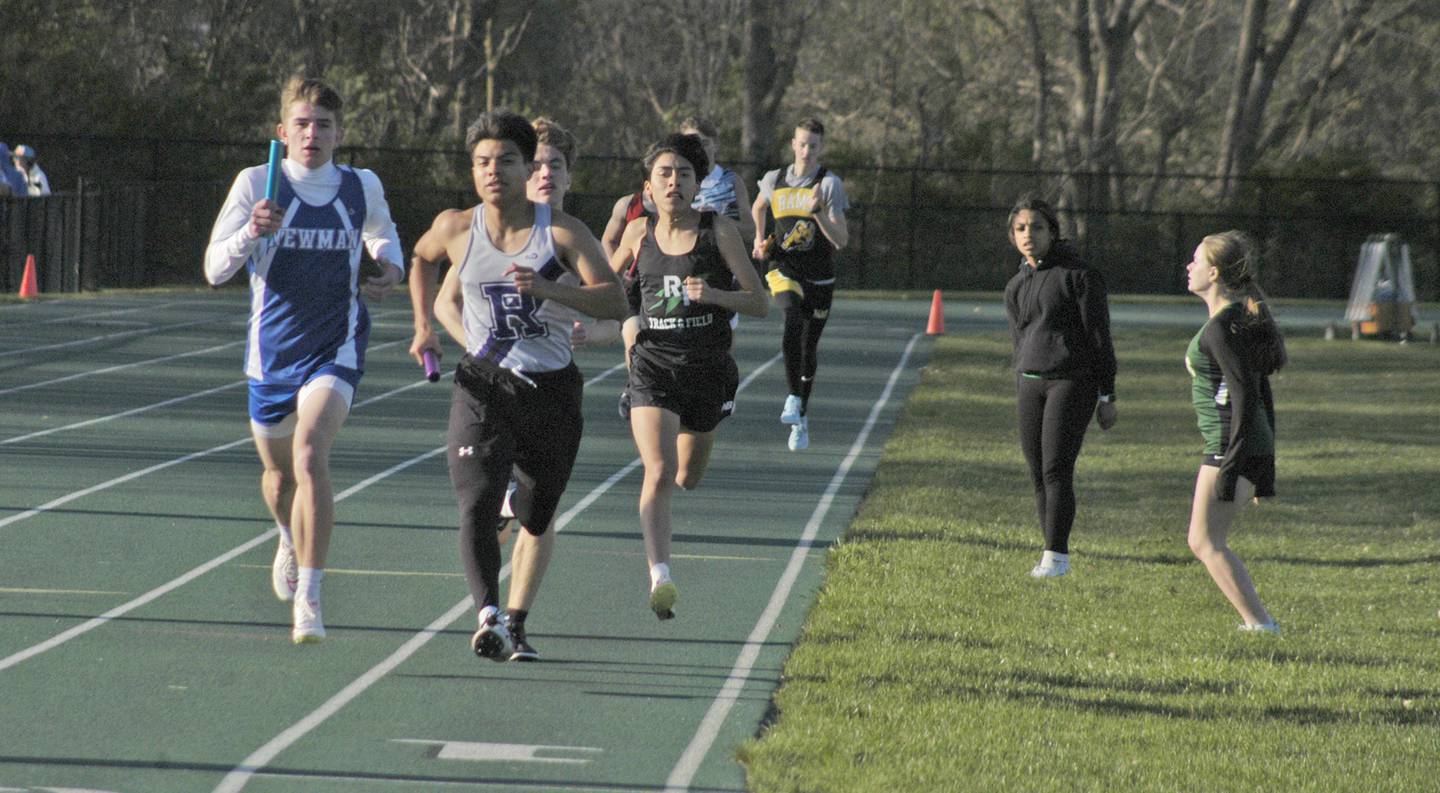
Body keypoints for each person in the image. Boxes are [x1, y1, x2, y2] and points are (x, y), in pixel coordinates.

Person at [420, 110, 626, 662]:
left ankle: (515, 611)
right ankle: (491, 614)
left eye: (508, 161)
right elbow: (426, 267)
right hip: (483, 384)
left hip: (552, 392)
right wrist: (430, 328)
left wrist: (551, 292)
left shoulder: (562, 233)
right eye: (484, 162)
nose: (495, 172)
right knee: (476, 503)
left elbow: (615, 301)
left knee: (537, 515)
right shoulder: (459, 227)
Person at [204, 76, 404, 643]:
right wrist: (251, 231)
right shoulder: (256, 184)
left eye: (323, 125)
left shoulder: (359, 185)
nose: (311, 134)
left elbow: (383, 235)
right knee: (278, 478)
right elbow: (215, 269)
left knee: (311, 450)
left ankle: (311, 599)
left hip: (335, 345)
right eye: (301, 123)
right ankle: (287, 540)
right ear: (281, 131)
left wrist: (389, 267)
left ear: (339, 134)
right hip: (271, 355)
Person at [611, 133, 768, 619]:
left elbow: (760, 302)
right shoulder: (638, 234)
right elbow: (605, 285)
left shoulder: (716, 231)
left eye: (683, 174)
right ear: (648, 188)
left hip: (707, 370)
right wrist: (615, 323)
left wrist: (715, 297)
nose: (673, 181)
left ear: (697, 184)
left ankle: (701, 431)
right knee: (656, 471)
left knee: (686, 476)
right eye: (664, 173)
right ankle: (660, 575)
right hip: (653, 366)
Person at [1002, 195, 1117, 579]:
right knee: (1037, 472)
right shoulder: (1016, 285)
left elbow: (1099, 338)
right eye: (1020, 228)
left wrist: (1106, 394)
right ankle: (1047, 550)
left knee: (1056, 469)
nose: (1028, 234)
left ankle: (1058, 556)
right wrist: (1020, 377)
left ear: (1052, 231)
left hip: (1071, 383)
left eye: (1036, 227)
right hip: (1029, 384)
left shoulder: (1080, 276)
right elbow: (1020, 339)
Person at [1183, 230, 1285, 634]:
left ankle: (1260, 625)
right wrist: (1265, 467)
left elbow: (1247, 398)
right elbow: (1261, 393)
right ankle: (1258, 624)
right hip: (1237, 445)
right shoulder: (1231, 320)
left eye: (1195, 261)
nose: (1188, 267)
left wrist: (1235, 464)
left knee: (1206, 541)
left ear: (1214, 272)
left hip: (1230, 445)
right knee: (1204, 541)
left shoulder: (1221, 328)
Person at [750, 118, 849, 451]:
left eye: (814, 146)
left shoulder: (829, 184)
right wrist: (760, 240)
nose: (807, 151)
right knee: (791, 316)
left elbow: (841, 240)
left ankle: (801, 414)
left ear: (821, 148)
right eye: (802, 144)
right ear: (793, 143)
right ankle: (792, 398)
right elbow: (758, 206)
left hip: (819, 276)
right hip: (783, 267)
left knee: (809, 348)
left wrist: (819, 213)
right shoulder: (773, 180)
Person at [679, 116, 755, 242]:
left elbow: (749, 231)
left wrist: (715, 218)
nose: (698, 150)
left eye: (704, 143)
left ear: (715, 145)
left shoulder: (731, 181)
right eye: (691, 144)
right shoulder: (678, 183)